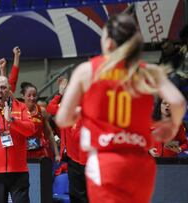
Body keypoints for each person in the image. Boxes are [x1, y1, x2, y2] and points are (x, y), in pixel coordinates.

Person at [56, 14, 186, 203]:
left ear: (108, 43)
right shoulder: (147, 70)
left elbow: (62, 119)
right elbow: (179, 102)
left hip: (106, 162)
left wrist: (80, 113)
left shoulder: (88, 70)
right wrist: (172, 126)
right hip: (141, 164)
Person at [47, 77, 89, 203]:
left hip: (87, 160)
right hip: (72, 159)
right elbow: (50, 108)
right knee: (75, 194)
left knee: (89, 194)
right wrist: (59, 93)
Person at [20, 82, 60, 162]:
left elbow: (49, 133)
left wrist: (57, 153)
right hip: (23, 152)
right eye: (29, 95)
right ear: (23, 96)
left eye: (34, 95)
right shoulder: (18, 111)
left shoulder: (42, 111)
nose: (32, 98)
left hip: (39, 151)